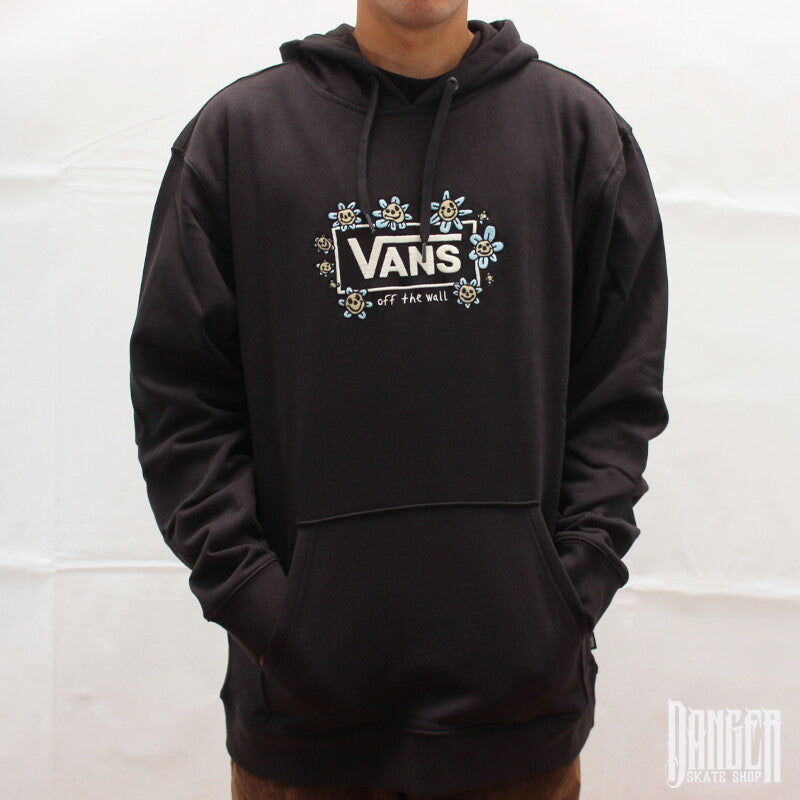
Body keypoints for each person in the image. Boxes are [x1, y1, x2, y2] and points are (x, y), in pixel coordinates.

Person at [128, 0, 669, 796]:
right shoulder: (239, 137)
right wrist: (267, 612)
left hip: (519, 722)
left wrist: (564, 597)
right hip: (303, 726)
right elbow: (181, 402)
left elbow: (618, 393)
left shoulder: (577, 134)